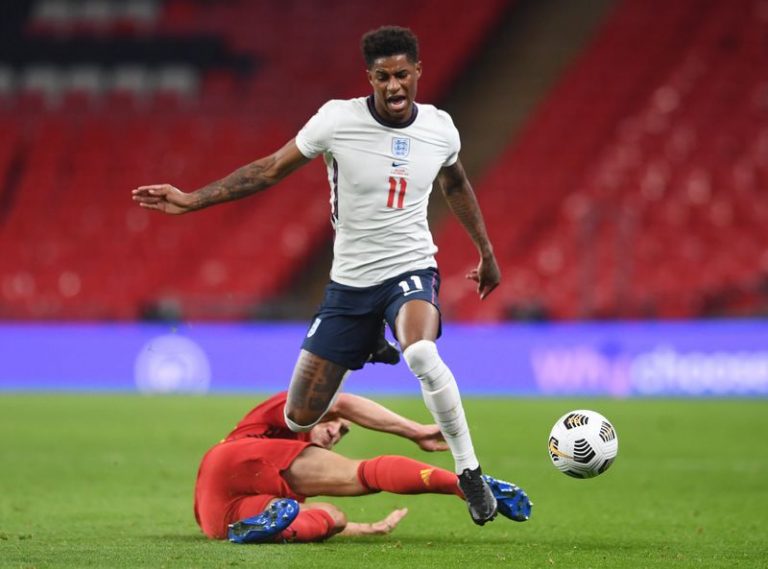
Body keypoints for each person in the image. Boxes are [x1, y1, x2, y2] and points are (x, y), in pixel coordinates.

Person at [133, 25, 505, 525]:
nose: (393, 87)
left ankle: (469, 471)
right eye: (381, 78)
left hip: (411, 266)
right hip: (350, 284)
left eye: (401, 75)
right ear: (369, 78)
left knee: (419, 351)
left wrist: (485, 250)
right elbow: (268, 169)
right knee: (298, 416)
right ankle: (371, 333)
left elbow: (455, 181)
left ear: (418, 72)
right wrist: (192, 198)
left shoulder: (440, 128)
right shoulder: (336, 120)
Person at [194, 391, 532, 543]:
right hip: (232, 459)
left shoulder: (293, 459)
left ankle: (258, 533)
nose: (335, 432)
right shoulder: (291, 410)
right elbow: (341, 401)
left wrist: (365, 528)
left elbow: (320, 517)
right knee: (364, 474)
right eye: (334, 424)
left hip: (221, 517)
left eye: (342, 432)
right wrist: (414, 431)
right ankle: (459, 484)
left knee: (333, 517)